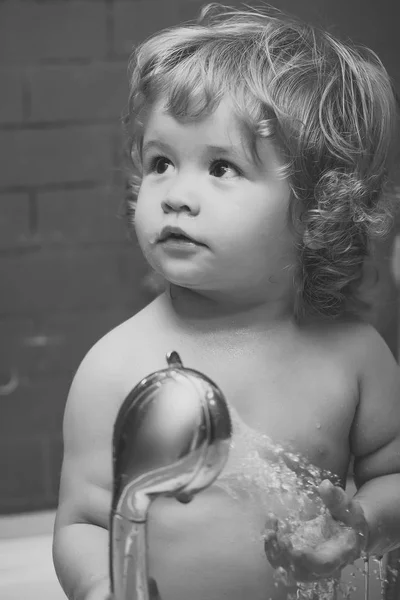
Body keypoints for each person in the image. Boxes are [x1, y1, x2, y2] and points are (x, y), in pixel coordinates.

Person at [52, 3, 400, 599]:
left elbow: (393, 476)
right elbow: (83, 522)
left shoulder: (353, 356)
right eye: (161, 162)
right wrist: (100, 587)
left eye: (221, 166)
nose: (176, 195)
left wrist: (363, 523)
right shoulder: (116, 368)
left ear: (318, 207)